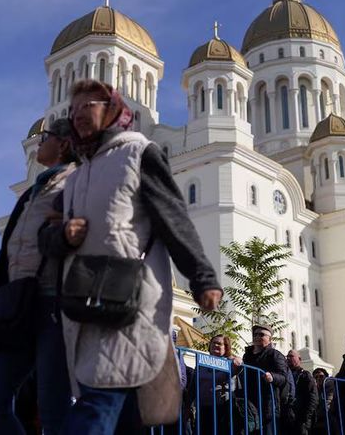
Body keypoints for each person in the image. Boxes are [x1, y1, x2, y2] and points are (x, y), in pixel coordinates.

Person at [38, 79, 222, 434]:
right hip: (84, 301)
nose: (78, 114)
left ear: (111, 109)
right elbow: (47, 237)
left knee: (98, 403)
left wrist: (202, 277)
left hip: (129, 301)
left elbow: (173, 217)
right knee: (121, 414)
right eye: (72, 109)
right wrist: (61, 236)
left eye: (88, 105)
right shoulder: (77, 177)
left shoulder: (139, 152)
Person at [0, 117, 78, 435]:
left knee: (54, 407)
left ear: (65, 144)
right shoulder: (31, 194)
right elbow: (6, 257)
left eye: (47, 137)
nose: (39, 142)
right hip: (18, 305)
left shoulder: (79, 185)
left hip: (57, 305)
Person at [241, 323, 288, 434]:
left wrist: (272, 377)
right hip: (249, 404)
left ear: (269, 339)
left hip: (267, 404)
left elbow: (283, 378)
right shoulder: (247, 355)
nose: (257, 337)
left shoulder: (275, 355)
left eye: (261, 335)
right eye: (255, 334)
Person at [192, 335, 241, 435]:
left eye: (219, 343)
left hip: (222, 409)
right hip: (203, 408)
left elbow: (238, 368)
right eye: (213, 343)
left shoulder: (229, 362)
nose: (216, 345)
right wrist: (188, 406)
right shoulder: (202, 363)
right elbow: (193, 385)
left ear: (226, 347)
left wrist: (237, 360)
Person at [284, 349, 318, 435]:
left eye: (291, 356)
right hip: (288, 418)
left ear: (299, 359)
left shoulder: (305, 375)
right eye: (287, 357)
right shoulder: (285, 375)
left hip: (301, 419)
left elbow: (313, 397)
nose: (288, 358)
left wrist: (306, 417)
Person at [311, 368, 331, 435]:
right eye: (316, 377)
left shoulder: (330, 385)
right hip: (320, 419)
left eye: (321, 376)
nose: (318, 378)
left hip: (329, 417)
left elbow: (328, 403)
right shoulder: (316, 390)